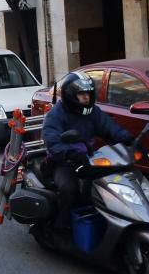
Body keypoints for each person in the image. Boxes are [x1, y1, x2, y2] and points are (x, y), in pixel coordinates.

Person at [42, 72, 135, 233]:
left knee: (110, 183)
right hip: (63, 162)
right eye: (82, 94)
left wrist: (127, 139)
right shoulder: (56, 115)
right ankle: (61, 225)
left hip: (88, 158)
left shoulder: (92, 112)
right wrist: (69, 154)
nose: (86, 97)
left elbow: (108, 126)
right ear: (71, 95)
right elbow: (52, 141)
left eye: (89, 93)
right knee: (69, 189)